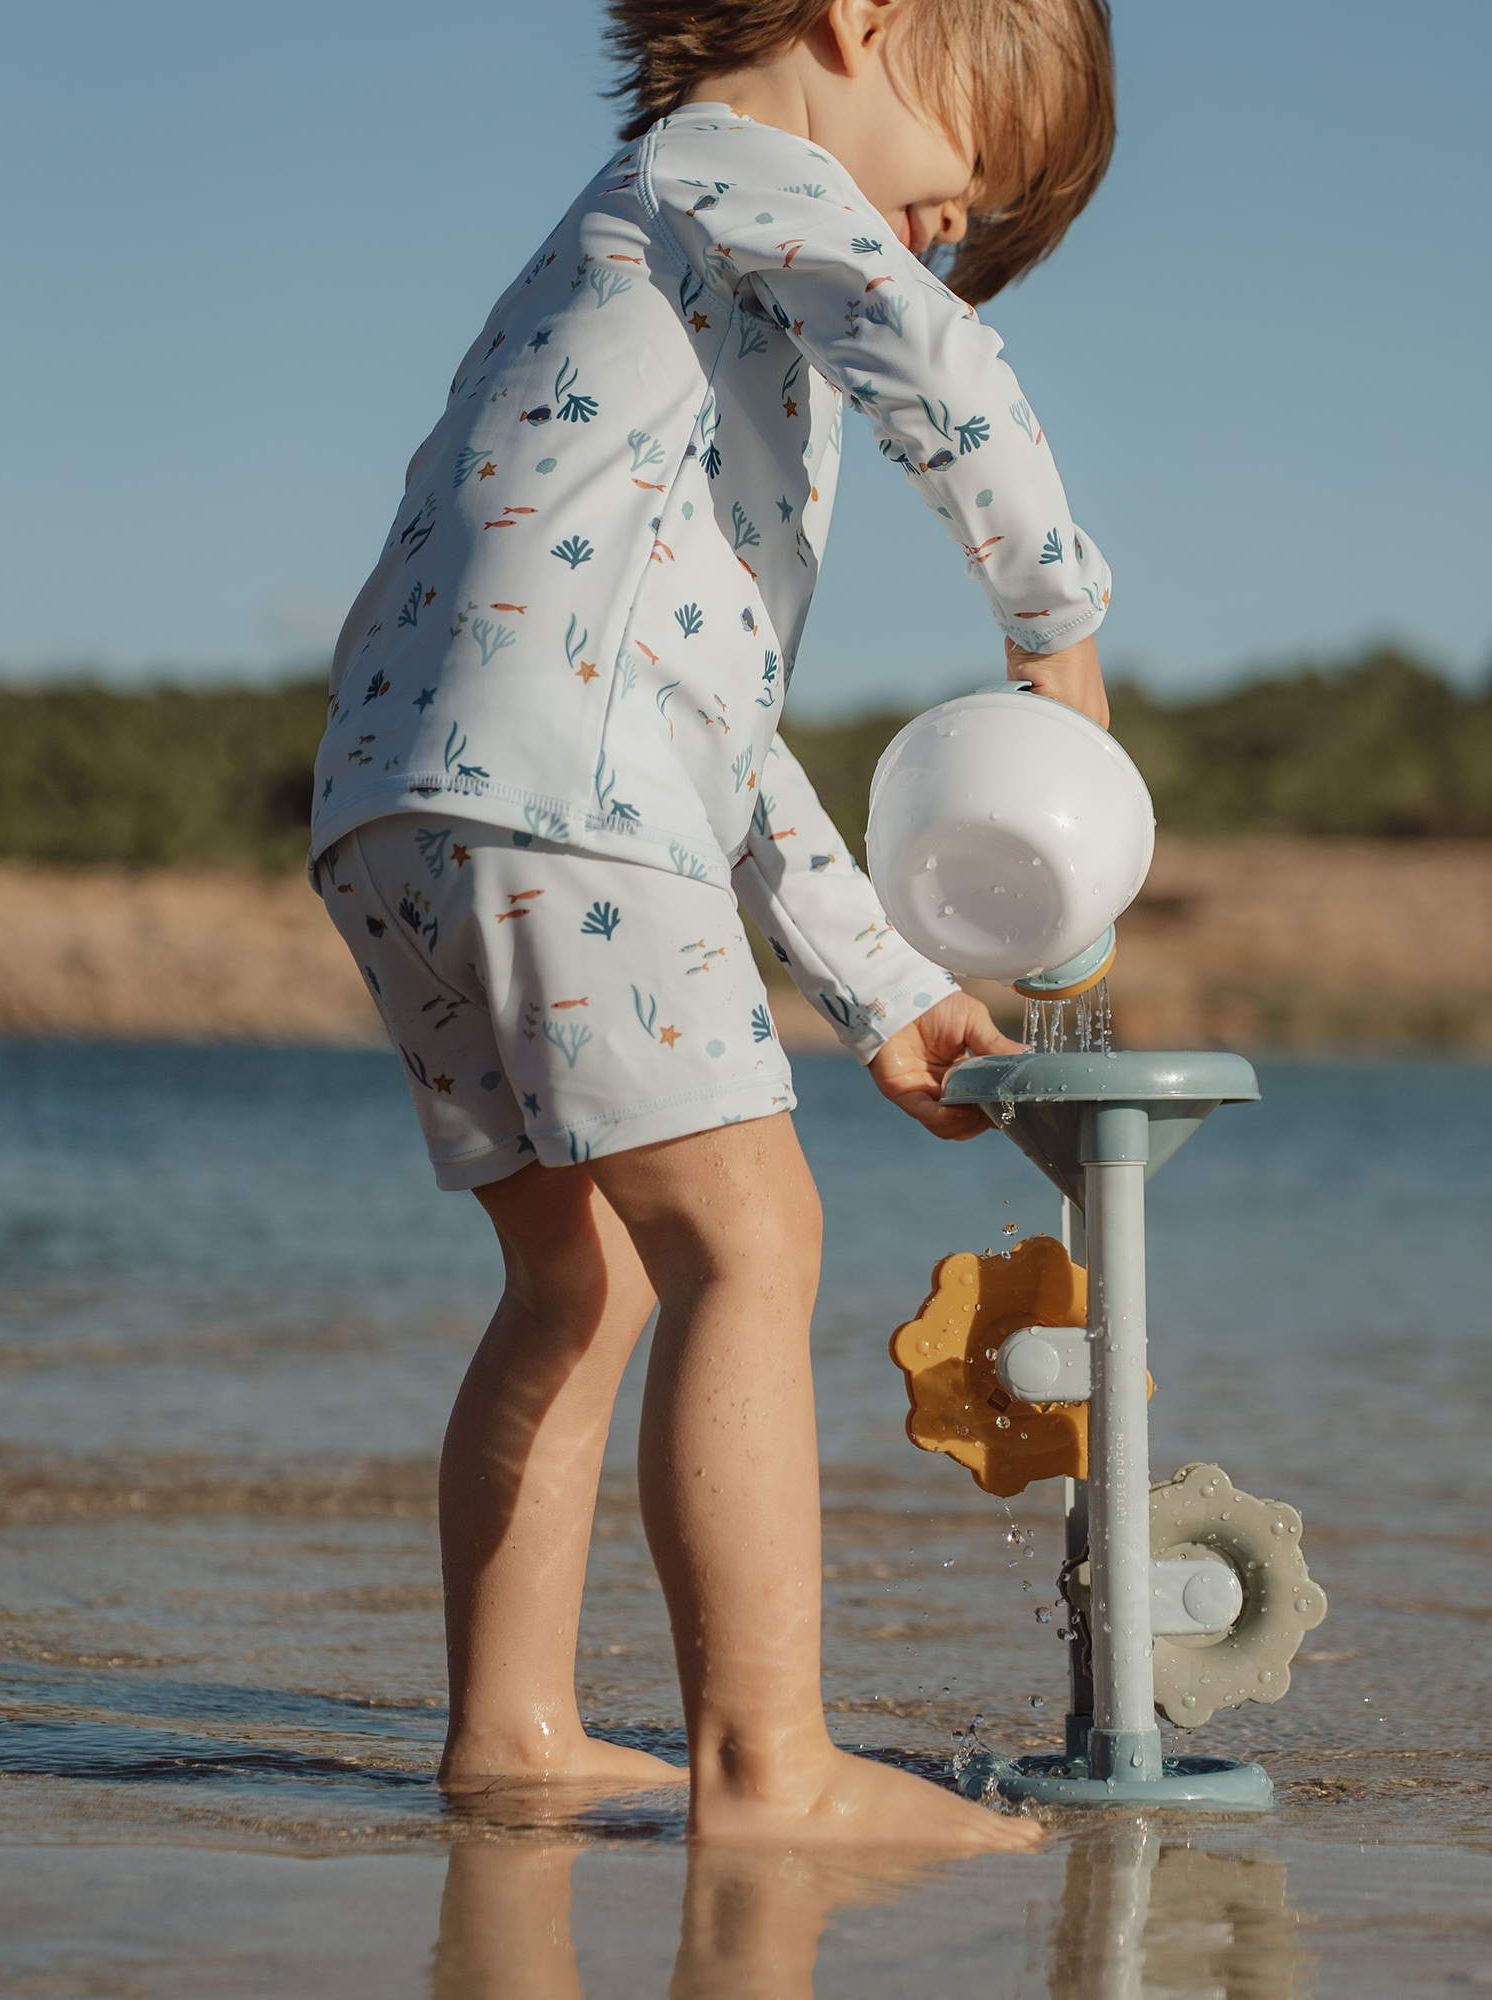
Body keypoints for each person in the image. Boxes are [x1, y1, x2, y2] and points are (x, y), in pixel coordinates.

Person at [309, 0, 1115, 1849]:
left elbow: (701, 741)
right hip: (563, 804)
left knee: (572, 1283)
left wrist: (887, 987)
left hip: (408, 808)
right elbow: (943, 370)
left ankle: (511, 1728)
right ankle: (770, 1766)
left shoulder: (632, 268)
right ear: (869, 17)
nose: (946, 234)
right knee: (752, 1244)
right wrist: (1051, 627)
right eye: (962, 182)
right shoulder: (736, 175)